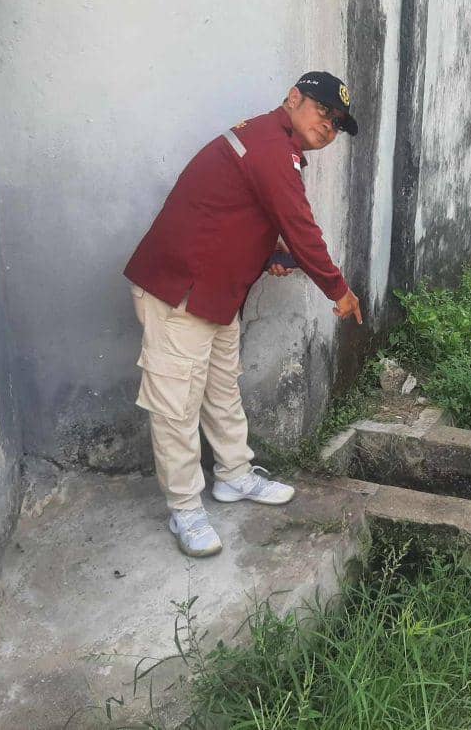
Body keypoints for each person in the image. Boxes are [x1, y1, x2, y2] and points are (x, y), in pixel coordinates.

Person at [124, 71, 363, 557]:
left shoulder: (274, 145)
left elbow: (250, 216)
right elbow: (299, 225)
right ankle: (185, 508)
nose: (329, 128)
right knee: (176, 407)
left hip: (216, 294)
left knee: (220, 388)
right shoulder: (271, 148)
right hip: (182, 294)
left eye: (338, 124)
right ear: (294, 99)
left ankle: (232, 475)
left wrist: (273, 252)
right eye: (324, 113)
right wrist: (338, 290)